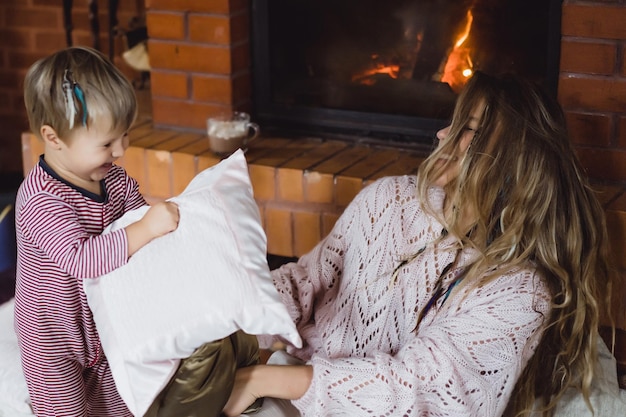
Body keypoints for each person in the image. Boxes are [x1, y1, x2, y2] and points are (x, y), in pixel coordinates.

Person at [223, 71, 615, 417]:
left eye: (468, 128)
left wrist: (264, 380)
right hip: (292, 387)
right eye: (452, 122)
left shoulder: (521, 290)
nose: (443, 134)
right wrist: (230, 315)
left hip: (297, 388)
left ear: (513, 158)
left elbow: (426, 391)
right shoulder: (389, 199)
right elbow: (305, 281)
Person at [15, 46, 179, 416]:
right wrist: (147, 228)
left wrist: (158, 224)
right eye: (107, 143)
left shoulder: (114, 179)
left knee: (120, 404)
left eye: (125, 135)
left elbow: (138, 218)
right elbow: (82, 258)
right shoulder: (41, 198)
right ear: (53, 138)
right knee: (66, 411)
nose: (120, 150)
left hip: (103, 325)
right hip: (52, 336)